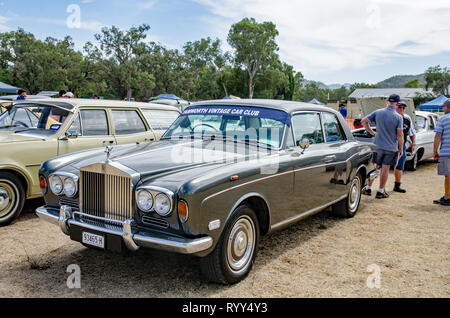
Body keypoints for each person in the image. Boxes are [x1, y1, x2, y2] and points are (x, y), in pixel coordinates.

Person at [361, 94, 404, 199]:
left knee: (374, 167)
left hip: (377, 145)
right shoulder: (399, 117)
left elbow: (363, 121)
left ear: (387, 101)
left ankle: (368, 188)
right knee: (385, 168)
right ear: (397, 104)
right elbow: (400, 134)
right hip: (390, 147)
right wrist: (401, 148)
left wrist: (372, 132)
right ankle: (380, 191)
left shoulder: (378, 112)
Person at [393, 100, 416, 193]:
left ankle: (397, 185)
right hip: (389, 144)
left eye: (403, 107)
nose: (402, 109)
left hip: (401, 145)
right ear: (395, 107)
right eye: (400, 107)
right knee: (383, 165)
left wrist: (413, 143)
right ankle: (371, 187)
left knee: (400, 165)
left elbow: (411, 132)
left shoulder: (407, 118)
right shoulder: (390, 117)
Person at [433, 98, 450, 206]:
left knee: (448, 174)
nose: (443, 108)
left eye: (443, 107)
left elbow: (438, 136)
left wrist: (435, 151)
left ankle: (447, 197)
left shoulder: (443, 119)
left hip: (447, 151)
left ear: (447, 107)